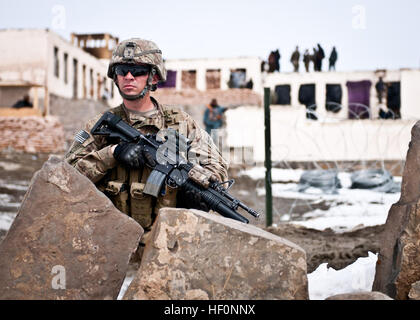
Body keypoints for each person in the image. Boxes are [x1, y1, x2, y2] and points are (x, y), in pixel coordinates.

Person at [64, 38, 228, 257]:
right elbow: (66, 176)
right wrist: (111, 154)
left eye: (137, 71)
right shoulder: (98, 125)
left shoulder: (180, 122)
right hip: (108, 246)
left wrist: (196, 187)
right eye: (122, 70)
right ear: (114, 76)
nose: (129, 77)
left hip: (165, 246)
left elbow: (216, 168)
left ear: (154, 77)